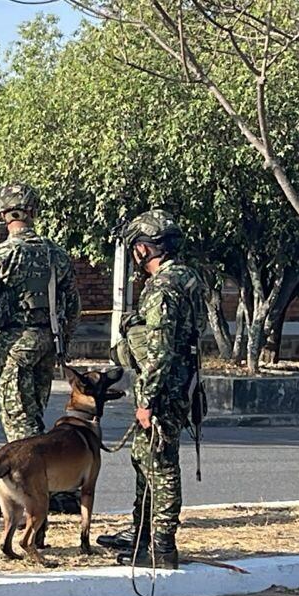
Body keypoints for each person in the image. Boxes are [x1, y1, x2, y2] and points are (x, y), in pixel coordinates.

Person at [100, 209, 205, 569]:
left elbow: (159, 349)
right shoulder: (189, 277)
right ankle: (141, 538)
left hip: (163, 388)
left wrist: (146, 400)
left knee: (160, 464)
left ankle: (161, 547)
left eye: (135, 248)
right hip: (181, 383)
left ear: (144, 250)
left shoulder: (162, 287)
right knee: (145, 459)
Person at [0, 184, 81, 444]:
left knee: (20, 428)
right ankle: (44, 477)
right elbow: (74, 308)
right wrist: (62, 342)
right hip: (48, 342)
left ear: (2, 215)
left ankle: (32, 482)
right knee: (34, 418)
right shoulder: (57, 254)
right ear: (34, 212)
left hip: (14, 346)